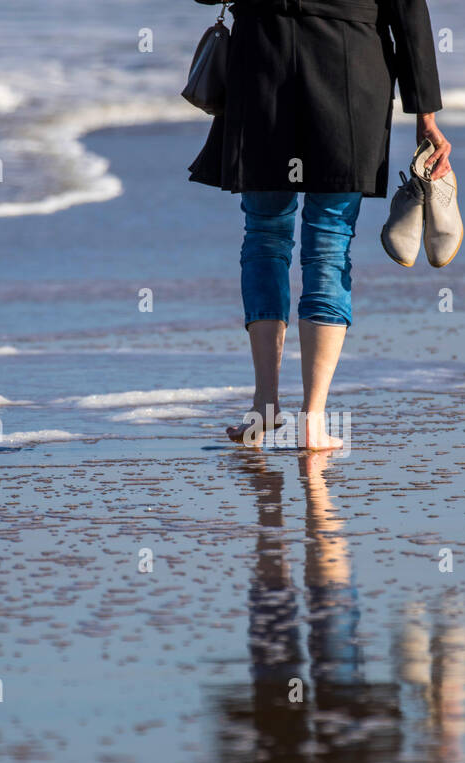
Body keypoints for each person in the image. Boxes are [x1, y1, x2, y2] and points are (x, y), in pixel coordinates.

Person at [189, 0, 451, 450]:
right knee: (329, 243)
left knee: (265, 236)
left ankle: (265, 405)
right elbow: (407, 9)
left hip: (263, 67)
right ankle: (312, 420)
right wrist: (425, 113)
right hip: (349, 68)